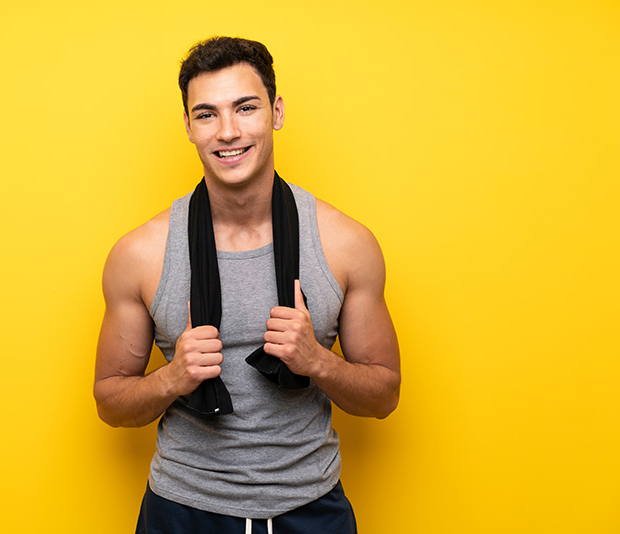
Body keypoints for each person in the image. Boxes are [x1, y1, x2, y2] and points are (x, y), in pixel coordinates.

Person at [94, 36, 400, 534]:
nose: (228, 132)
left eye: (246, 107)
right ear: (189, 127)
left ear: (276, 112)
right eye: (207, 114)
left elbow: (384, 396)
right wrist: (173, 377)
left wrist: (316, 360)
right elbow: (109, 402)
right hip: (182, 509)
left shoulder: (345, 244)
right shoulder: (140, 255)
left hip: (310, 506)